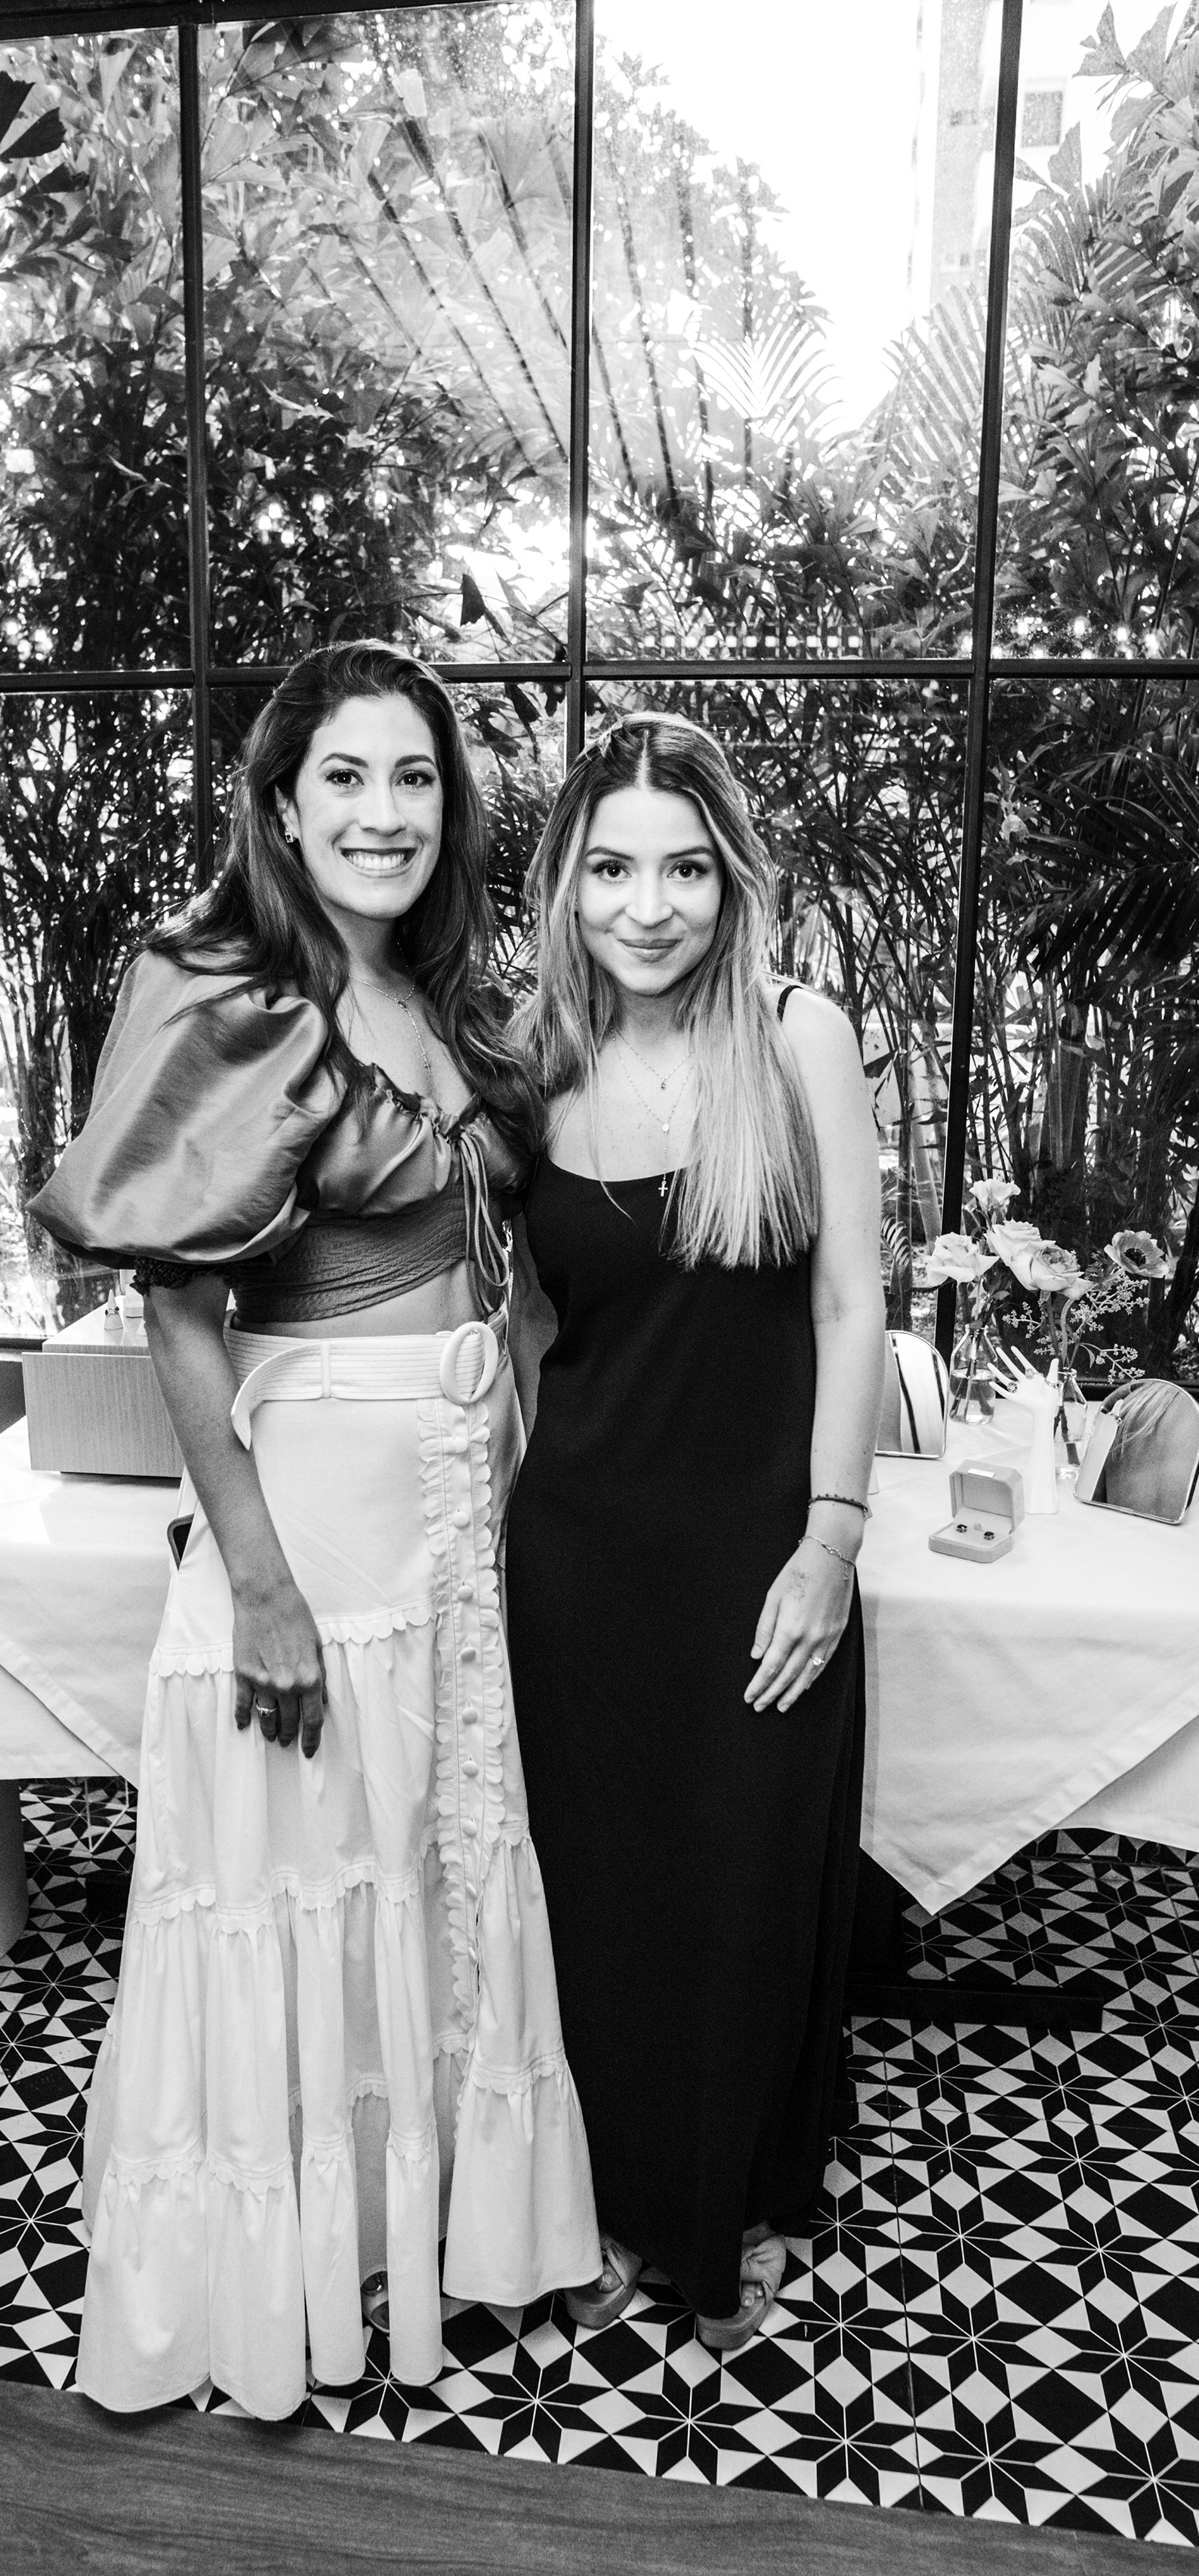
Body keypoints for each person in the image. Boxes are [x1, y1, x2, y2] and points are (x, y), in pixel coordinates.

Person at [31, 642, 599, 2420]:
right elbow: (178, 1308)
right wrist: (260, 1584)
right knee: (295, 1865)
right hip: (314, 1513)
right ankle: (263, 2285)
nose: (383, 811)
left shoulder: (445, 998)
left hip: (449, 1501)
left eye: (414, 776)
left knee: (421, 1850)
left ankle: (402, 2227)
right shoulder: (221, 988)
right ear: (280, 805)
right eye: (344, 775)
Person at [504, 711, 885, 2353]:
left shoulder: (799, 1036)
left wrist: (831, 1540)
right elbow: (524, 1328)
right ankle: (608, 2196)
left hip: (759, 1550)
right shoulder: (530, 1061)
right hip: (580, 1557)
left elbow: (853, 1302)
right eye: (611, 869)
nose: (645, 907)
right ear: (566, 882)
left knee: (744, 1887)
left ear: (732, 882)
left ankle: (728, 2202)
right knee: (597, 1896)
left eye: (683, 870)